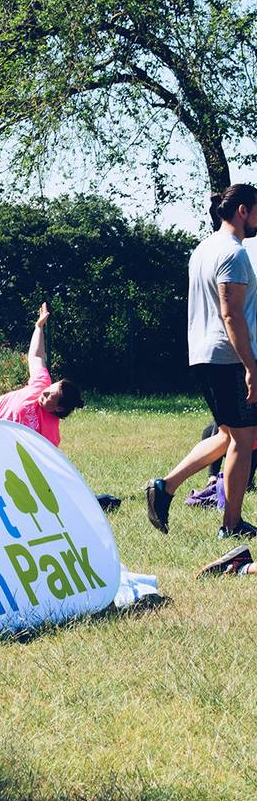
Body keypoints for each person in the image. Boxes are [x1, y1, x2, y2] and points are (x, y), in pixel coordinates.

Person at [147, 183, 257, 539]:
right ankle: (232, 525)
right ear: (243, 210)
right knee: (243, 438)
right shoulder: (234, 253)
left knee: (228, 434)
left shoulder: (203, 249)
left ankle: (164, 488)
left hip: (205, 355)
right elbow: (231, 315)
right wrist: (251, 367)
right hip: (228, 358)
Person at [0, 303, 83, 445]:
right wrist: (39, 327)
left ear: (59, 407)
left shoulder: (50, 432)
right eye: (49, 389)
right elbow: (36, 356)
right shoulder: (41, 384)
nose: (44, 392)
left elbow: (43, 460)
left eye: (50, 395)